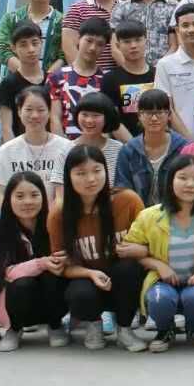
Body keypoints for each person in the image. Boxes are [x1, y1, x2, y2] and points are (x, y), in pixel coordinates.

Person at [49, 145, 147, 352]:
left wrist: (140, 251)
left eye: (97, 170)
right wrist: (90, 273)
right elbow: (61, 265)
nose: (91, 179)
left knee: (129, 269)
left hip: (121, 281)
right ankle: (93, 325)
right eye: (81, 173)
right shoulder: (59, 213)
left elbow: (150, 245)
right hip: (86, 279)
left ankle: (124, 329)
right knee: (79, 293)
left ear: (106, 171)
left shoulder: (127, 200)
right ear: (68, 176)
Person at [125, 155, 194, 352]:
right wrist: (158, 265)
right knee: (160, 299)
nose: (190, 184)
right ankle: (165, 330)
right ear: (170, 180)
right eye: (182, 178)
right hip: (162, 281)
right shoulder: (149, 215)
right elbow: (129, 249)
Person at [0, 171, 65, 351]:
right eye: (20, 196)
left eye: (34, 195)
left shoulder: (53, 223)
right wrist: (40, 263)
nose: (28, 202)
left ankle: (55, 325)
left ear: (44, 197)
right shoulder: (2, 229)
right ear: (9, 199)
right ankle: (14, 329)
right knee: (22, 283)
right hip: (18, 301)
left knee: (52, 276)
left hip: (51, 298)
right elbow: (4, 272)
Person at [0, 87, 73, 204]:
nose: (34, 115)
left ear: (49, 111)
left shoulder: (66, 148)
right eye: (28, 109)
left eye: (41, 110)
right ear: (19, 111)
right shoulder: (7, 150)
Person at [114, 89, 189, 206]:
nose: (154, 118)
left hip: (175, 212)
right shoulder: (128, 151)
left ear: (169, 115)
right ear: (139, 115)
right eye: (148, 113)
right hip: (139, 214)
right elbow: (122, 190)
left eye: (159, 112)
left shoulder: (183, 148)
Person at [0, 0, 63, 77]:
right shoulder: (11, 19)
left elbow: (63, 56)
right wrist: (29, 77)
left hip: (50, 83)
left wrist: (44, 80)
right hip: (16, 83)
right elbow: (3, 51)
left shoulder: (62, 21)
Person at [52, 93, 125, 199]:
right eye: (84, 115)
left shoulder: (119, 149)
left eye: (96, 115)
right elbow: (60, 195)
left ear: (107, 117)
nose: (89, 120)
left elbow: (123, 189)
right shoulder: (66, 149)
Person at [48, 16, 109, 140]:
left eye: (99, 44)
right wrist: (62, 148)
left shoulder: (107, 79)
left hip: (97, 146)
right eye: (89, 41)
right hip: (65, 145)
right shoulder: (58, 76)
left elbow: (108, 119)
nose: (92, 48)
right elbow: (55, 118)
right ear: (78, 39)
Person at [154, 3, 194, 141]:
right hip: (181, 142)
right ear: (177, 30)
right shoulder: (165, 65)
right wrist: (189, 141)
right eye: (185, 25)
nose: (191, 30)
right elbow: (167, 108)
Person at [62, 0, 120, 75]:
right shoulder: (77, 9)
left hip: (121, 79)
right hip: (88, 79)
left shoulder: (127, 8)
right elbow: (69, 47)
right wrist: (84, 75)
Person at [100, 18, 156, 139]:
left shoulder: (158, 74)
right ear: (118, 45)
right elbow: (112, 119)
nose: (133, 46)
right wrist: (133, 146)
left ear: (146, 41)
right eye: (127, 41)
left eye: (138, 40)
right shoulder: (110, 79)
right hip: (125, 144)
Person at [0, 21, 48, 142]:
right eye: (23, 45)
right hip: (18, 149)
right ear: (13, 48)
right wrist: (15, 152)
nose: (31, 49)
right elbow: (6, 128)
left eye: (35, 43)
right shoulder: (8, 84)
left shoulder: (51, 81)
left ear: (41, 43)